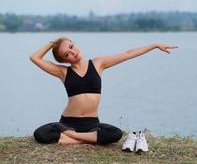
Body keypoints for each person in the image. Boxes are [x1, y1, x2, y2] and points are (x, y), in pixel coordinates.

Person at [30, 37, 178, 145]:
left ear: (75, 44)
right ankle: (83, 138)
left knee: (115, 134)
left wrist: (155, 45)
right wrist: (52, 43)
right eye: (67, 54)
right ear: (63, 60)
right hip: (67, 123)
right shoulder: (62, 71)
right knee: (40, 134)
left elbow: (128, 54)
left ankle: (71, 138)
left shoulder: (98, 63)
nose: (72, 52)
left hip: (91, 123)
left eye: (71, 46)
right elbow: (34, 58)